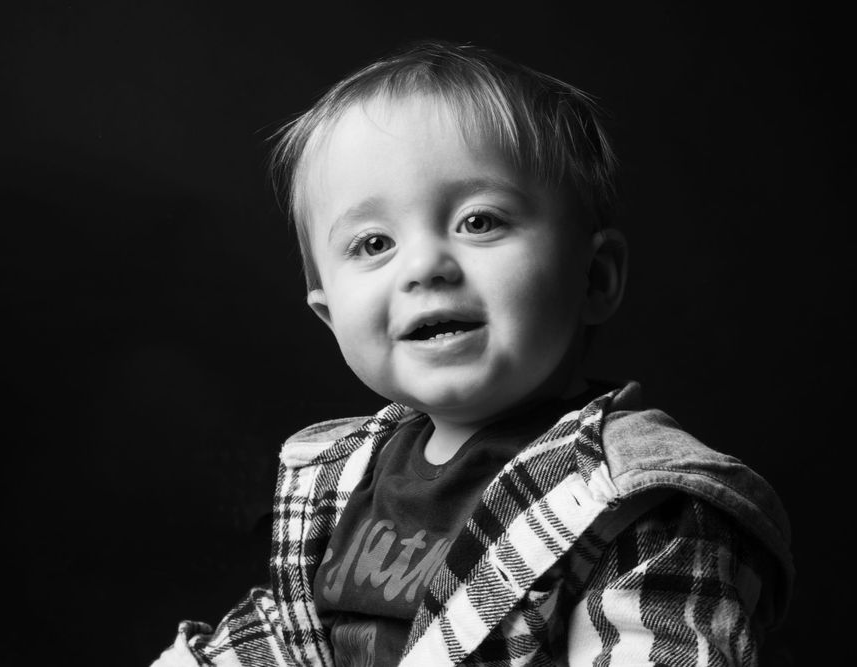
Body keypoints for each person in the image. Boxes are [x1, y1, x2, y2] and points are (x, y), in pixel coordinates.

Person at [153, 40, 793, 667]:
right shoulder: (338, 481)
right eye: (374, 243)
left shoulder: (638, 504)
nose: (425, 265)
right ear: (329, 316)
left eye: (479, 221)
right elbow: (283, 639)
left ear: (594, 278)